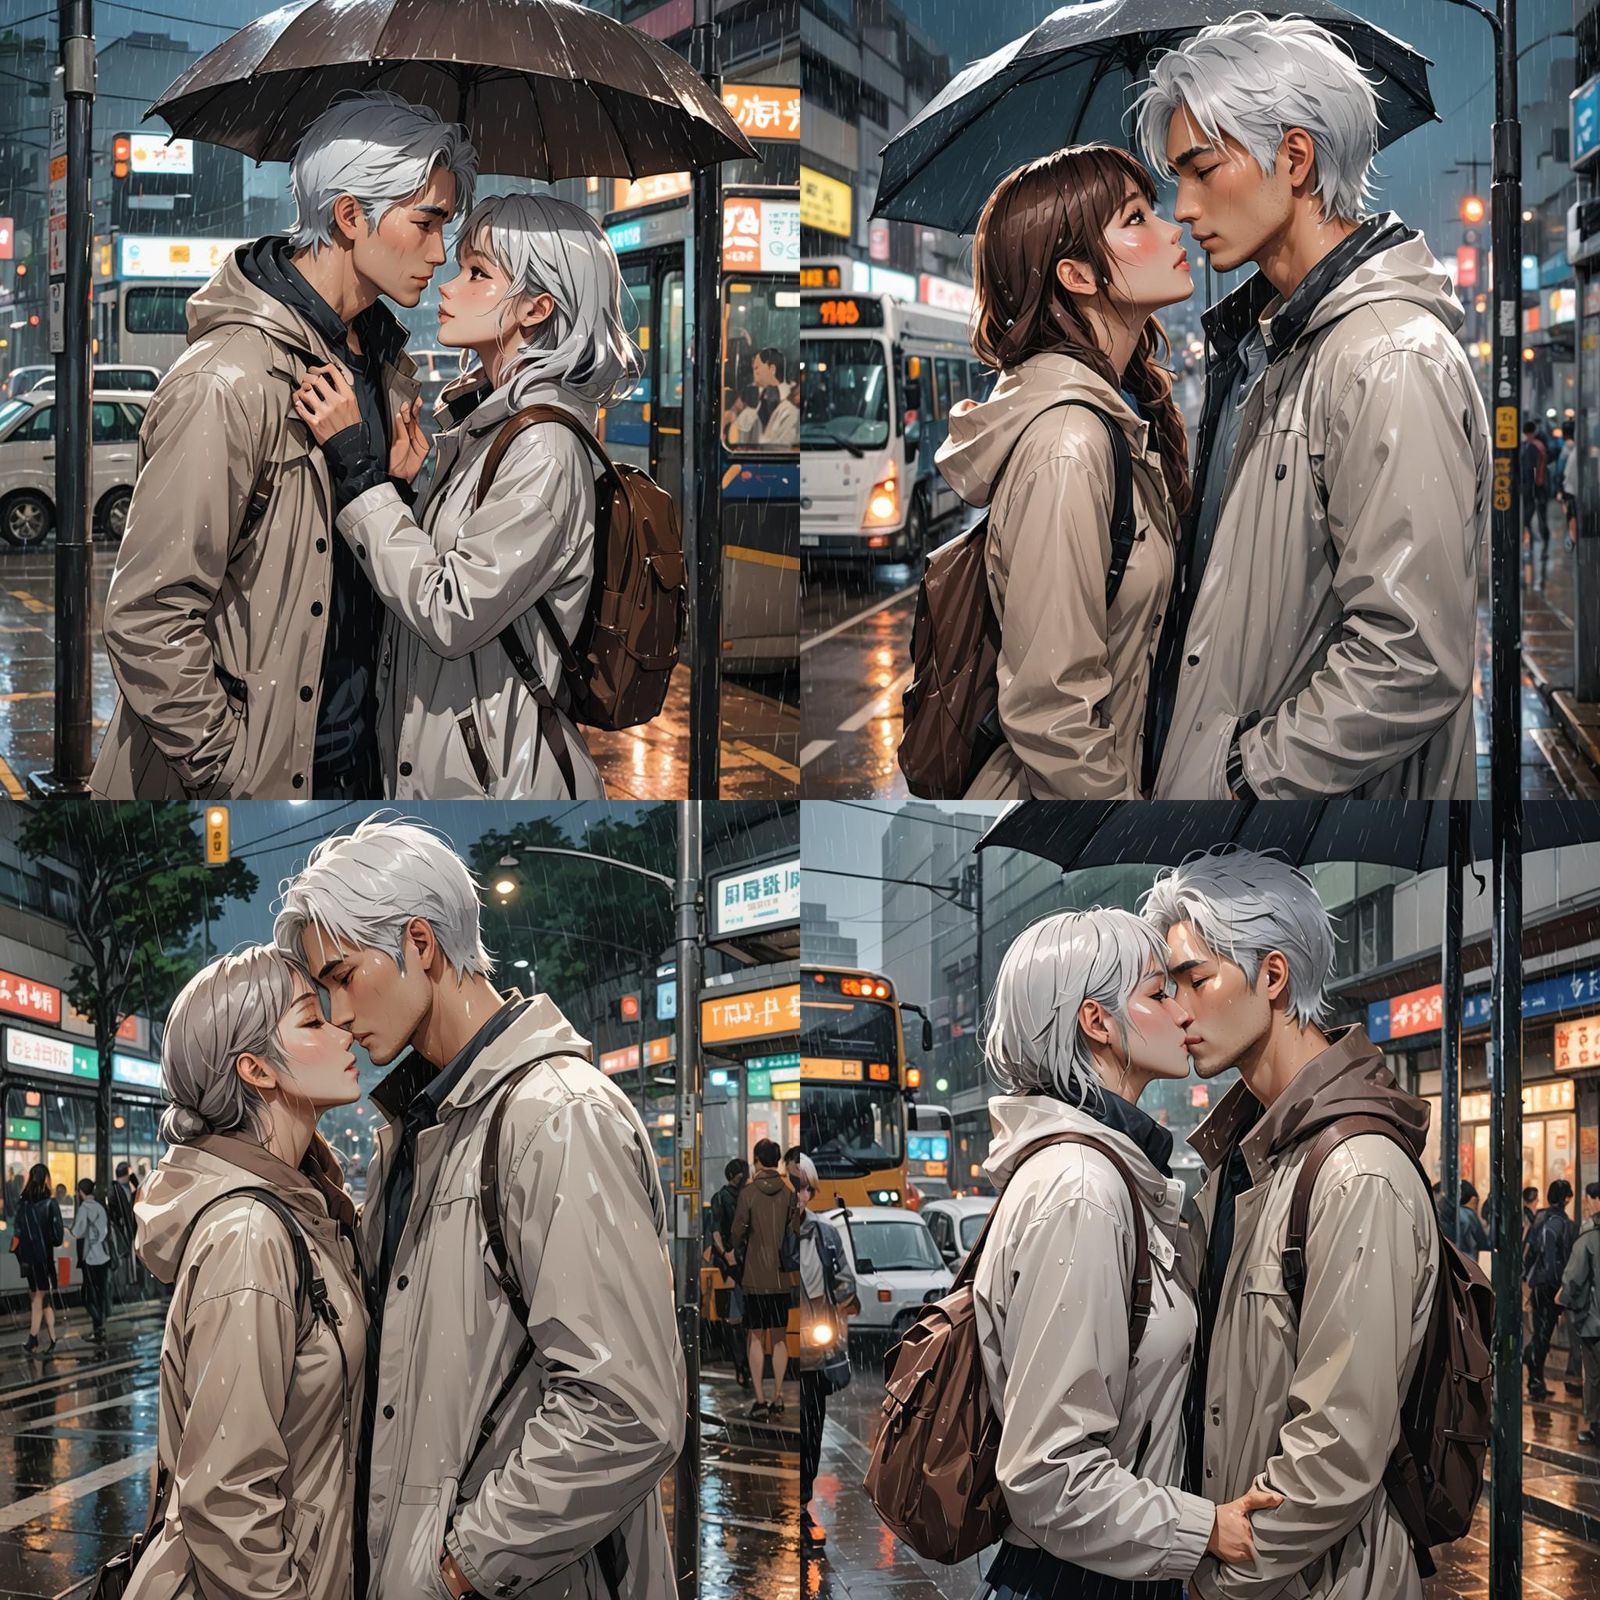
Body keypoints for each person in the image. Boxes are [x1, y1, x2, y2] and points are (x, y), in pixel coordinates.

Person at [273, 818, 683, 1599]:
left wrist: (460, 1567)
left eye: (343, 974)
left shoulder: (557, 1117)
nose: (336, 1009)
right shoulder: (418, 1130)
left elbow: (628, 1409)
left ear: (419, 945)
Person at [1136, 14, 1487, 800]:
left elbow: (1413, 656)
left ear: (1294, 159)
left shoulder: (1387, 358)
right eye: (1174, 178)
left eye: (1200, 169)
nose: (1183, 208)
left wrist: (1241, 773)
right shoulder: (1277, 344)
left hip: (1303, 811)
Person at [92, 91, 477, 800]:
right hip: (261, 772)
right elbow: (147, 615)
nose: (438, 252)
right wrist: (227, 769)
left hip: (361, 755)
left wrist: (400, 491)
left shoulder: (387, 371)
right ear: (351, 215)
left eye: (446, 226)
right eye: (425, 223)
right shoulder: (227, 380)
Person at [1142, 848, 1439, 1600]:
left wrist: (1216, 1578)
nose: (1178, 1009)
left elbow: (1337, 1449)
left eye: (1196, 979)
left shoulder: (1356, 1171)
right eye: (1170, 985)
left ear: (1273, 977)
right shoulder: (1242, 1164)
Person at [971, 908, 1278, 1598]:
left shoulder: (1104, 1171)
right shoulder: (1083, 1188)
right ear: (1097, 1022)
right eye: (1158, 992)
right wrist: (1207, 1529)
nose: (1182, 1010)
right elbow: (1046, 1473)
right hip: (1081, 1583)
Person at [292, 193, 640, 799]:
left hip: (496, 781)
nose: (446, 287)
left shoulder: (543, 447)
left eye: (477, 273)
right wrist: (410, 484)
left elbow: (451, 613)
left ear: (536, 307)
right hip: (450, 767)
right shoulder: (488, 427)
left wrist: (362, 477)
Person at [936, 145, 1195, 798]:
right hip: (1071, 797)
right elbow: (1053, 715)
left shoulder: (1118, 411)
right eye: (1136, 219)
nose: (1172, 230)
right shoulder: (1068, 445)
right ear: (1077, 275)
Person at [124, 947, 367, 1599]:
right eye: (313, 1021)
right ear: (256, 1069)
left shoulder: (306, 1208)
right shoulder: (249, 1234)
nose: (344, 1029)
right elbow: (228, 1501)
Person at [794, 1153, 855, 1550]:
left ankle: (802, 1505)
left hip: (815, 1352)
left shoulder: (824, 1233)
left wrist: (840, 1316)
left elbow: (845, 1280)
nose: (795, 1194)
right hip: (784, 1347)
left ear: (810, 1191)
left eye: (800, 1186)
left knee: (811, 1435)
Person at [732, 1137, 801, 1421]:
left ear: (757, 1161)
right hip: (782, 1277)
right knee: (780, 1337)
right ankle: (778, 1397)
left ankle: (760, 1399)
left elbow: (738, 1231)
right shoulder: (789, 1194)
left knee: (756, 1337)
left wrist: (740, 1249)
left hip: (755, 1277)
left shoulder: (748, 1194)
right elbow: (795, 1231)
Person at [1525, 1178, 1577, 1401]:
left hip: (1537, 1282)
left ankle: (1534, 1373)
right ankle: (1535, 1378)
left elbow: (1529, 1251)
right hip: (1552, 1285)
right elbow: (1563, 1259)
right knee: (1544, 1334)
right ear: (1566, 1198)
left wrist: (1526, 1278)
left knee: (1540, 1330)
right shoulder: (1565, 1224)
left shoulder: (1539, 1218)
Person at [1560, 1181, 1600, 1445]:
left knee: (1594, 1377)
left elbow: (1573, 1279)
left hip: (1595, 1324)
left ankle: (1596, 1427)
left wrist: (1564, 1299)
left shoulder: (1588, 1239)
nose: (1585, 1204)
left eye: (1587, 1199)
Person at [710, 1157, 752, 1386]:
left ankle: (741, 1366)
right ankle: (744, 1365)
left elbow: (715, 1230)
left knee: (735, 1320)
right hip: (747, 1263)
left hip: (731, 1266)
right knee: (745, 1320)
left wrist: (726, 1254)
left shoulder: (720, 1197)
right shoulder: (750, 1196)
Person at [15, 1164, 63, 1353]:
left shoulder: (23, 1202)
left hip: (28, 1259)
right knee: (41, 1297)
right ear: (46, 1179)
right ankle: (37, 1337)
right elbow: (57, 1237)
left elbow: (18, 1230)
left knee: (40, 1298)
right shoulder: (51, 1203)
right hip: (44, 1258)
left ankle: (46, 1337)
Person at [72, 1177, 111, 1344]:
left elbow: (77, 1232)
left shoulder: (84, 1209)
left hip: (90, 1259)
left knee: (88, 1297)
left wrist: (70, 1231)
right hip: (103, 1257)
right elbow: (104, 1233)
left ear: (81, 1192)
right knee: (100, 1295)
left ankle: (98, 1328)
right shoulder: (101, 1208)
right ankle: (100, 1327)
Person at [106, 1159, 137, 1302]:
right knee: (122, 1263)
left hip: (128, 1230)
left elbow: (140, 1193)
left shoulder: (126, 1188)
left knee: (127, 1262)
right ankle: (120, 1294)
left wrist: (135, 1181)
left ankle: (125, 1291)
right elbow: (114, 1212)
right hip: (121, 1232)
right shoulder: (115, 1191)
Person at [1522, 419, 1552, 553]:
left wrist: (1529, 485)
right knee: (1541, 513)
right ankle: (1543, 537)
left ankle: (1532, 538)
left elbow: (1531, 468)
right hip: (1541, 483)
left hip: (1534, 485)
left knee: (1529, 514)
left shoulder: (1531, 447)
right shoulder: (1540, 444)